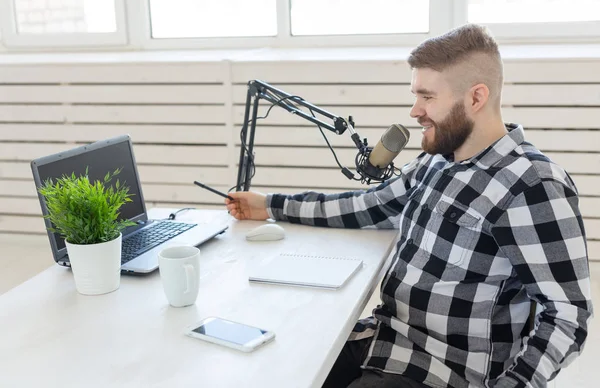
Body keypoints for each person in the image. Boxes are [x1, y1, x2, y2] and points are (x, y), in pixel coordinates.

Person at [225, 24, 593, 388]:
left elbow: (566, 317)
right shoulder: (437, 160)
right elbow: (368, 205)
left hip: (443, 371)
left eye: (427, 97)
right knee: (275, 365)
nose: (415, 110)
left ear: (476, 98)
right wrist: (270, 205)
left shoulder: (533, 186)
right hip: (385, 339)